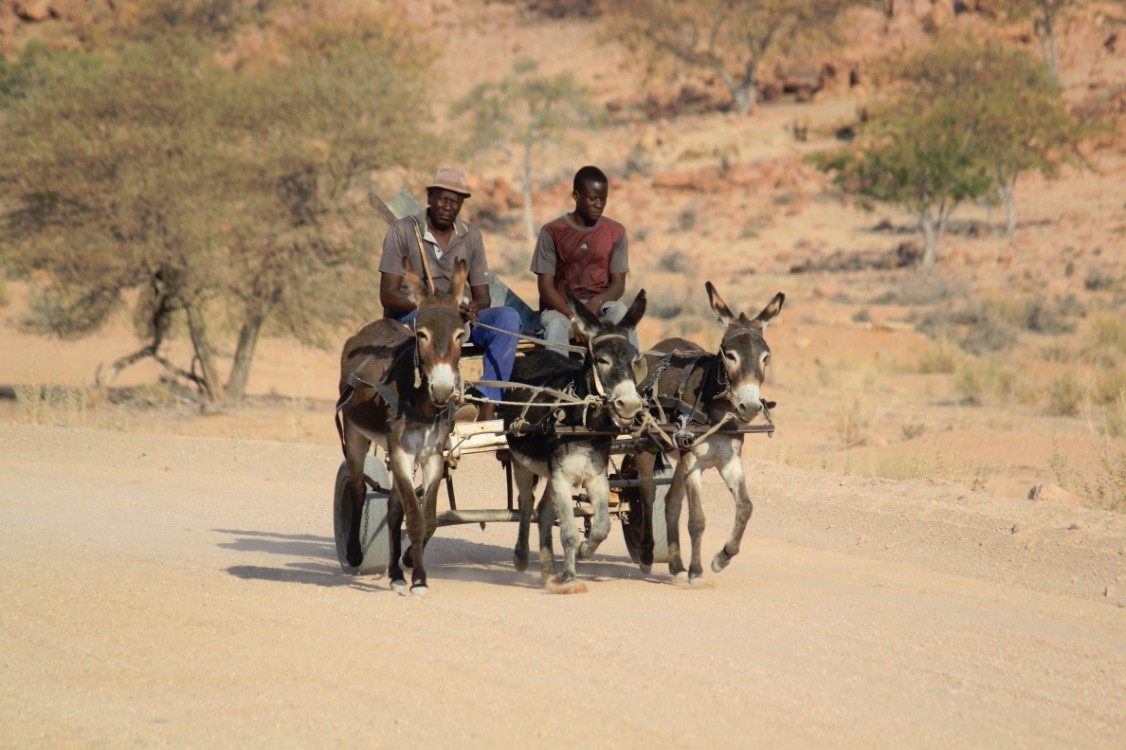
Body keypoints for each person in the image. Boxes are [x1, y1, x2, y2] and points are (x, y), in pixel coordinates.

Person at [378, 167, 519, 421]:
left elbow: (483, 297)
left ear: (461, 205)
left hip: (456, 319)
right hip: (414, 318)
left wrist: (472, 309)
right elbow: (387, 295)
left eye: (455, 202)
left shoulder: (471, 236)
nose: (447, 206)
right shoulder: (403, 232)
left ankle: (487, 402)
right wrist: (430, 308)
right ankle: (438, 401)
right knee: (438, 328)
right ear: (430, 197)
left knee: (507, 319)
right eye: (442, 199)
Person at [530, 165, 635, 351]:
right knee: (555, 327)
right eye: (593, 199)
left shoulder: (616, 232)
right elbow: (545, 286)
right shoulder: (552, 232)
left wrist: (596, 303)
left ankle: (634, 373)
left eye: (603, 199)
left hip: (600, 308)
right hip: (561, 311)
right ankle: (559, 378)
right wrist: (573, 317)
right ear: (576, 196)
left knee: (621, 312)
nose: (599, 205)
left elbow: (618, 284)